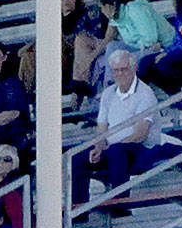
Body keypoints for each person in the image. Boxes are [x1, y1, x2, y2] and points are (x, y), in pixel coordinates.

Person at [70, 48, 173, 215]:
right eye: (116, 70)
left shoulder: (145, 94)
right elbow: (102, 127)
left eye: (124, 69)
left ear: (133, 69)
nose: (120, 74)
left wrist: (109, 148)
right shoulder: (108, 94)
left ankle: (120, 209)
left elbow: (141, 134)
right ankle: (79, 212)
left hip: (141, 148)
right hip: (113, 148)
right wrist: (99, 147)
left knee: (117, 151)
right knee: (78, 157)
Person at [90, 0, 174, 89]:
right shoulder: (117, 17)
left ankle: (121, 85)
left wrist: (130, 53)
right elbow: (129, 42)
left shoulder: (134, 8)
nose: (102, 12)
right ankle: (110, 84)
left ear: (109, 6)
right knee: (112, 47)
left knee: (123, 59)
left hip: (165, 46)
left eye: (102, 8)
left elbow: (150, 39)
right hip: (145, 46)